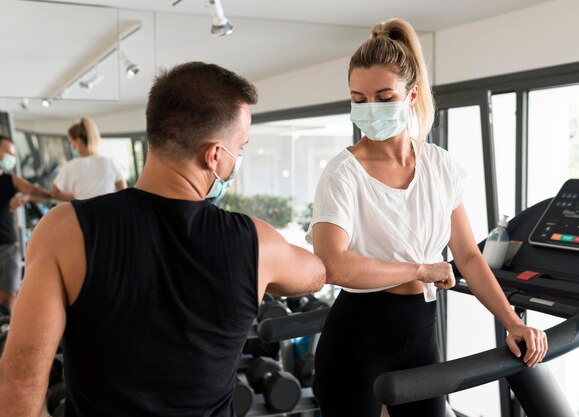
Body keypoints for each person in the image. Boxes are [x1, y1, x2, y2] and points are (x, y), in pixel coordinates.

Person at [0, 62, 326, 417]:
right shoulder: (259, 243)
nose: (238, 159)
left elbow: (18, 391)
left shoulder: (62, 230)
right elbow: (319, 273)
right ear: (215, 155)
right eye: (240, 148)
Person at [307, 18, 548, 417]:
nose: (370, 109)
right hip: (358, 334)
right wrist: (421, 268)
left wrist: (512, 322)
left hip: (421, 329)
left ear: (410, 94)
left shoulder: (440, 165)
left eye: (384, 97)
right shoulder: (342, 173)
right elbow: (333, 265)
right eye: (359, 98)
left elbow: (469, 256)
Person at [0, 135, 51, 310]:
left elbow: (43, 195)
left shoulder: (11, 180)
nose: (10, 157)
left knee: (7, 300)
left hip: (7, 245)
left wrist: (27, 197)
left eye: (12, 154)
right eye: (7, 152)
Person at [50, 116, 126, 201]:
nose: (72, 146)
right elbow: (123, 191)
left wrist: (77, 197)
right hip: (109, 212)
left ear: (78, 141)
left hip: (83, 212)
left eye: (71, 142)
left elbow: (54, 193)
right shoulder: (111, 162)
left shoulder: (69, 166)